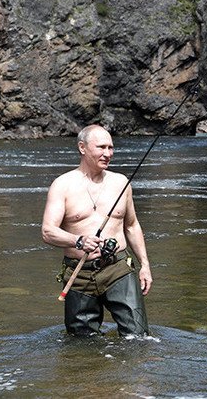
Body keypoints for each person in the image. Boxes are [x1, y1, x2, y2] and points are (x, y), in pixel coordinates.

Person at [42, 125, 152, 336]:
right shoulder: (62, 185)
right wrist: (78, 241)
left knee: (138, 337)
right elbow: (48, 231)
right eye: (101, 147)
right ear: (82, 148)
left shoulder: (121, 183)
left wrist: (145, 265)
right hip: (78, 273)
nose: (108, 153)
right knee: (82, 344)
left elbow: (131, 225)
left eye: (111, 147)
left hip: (118, 268)